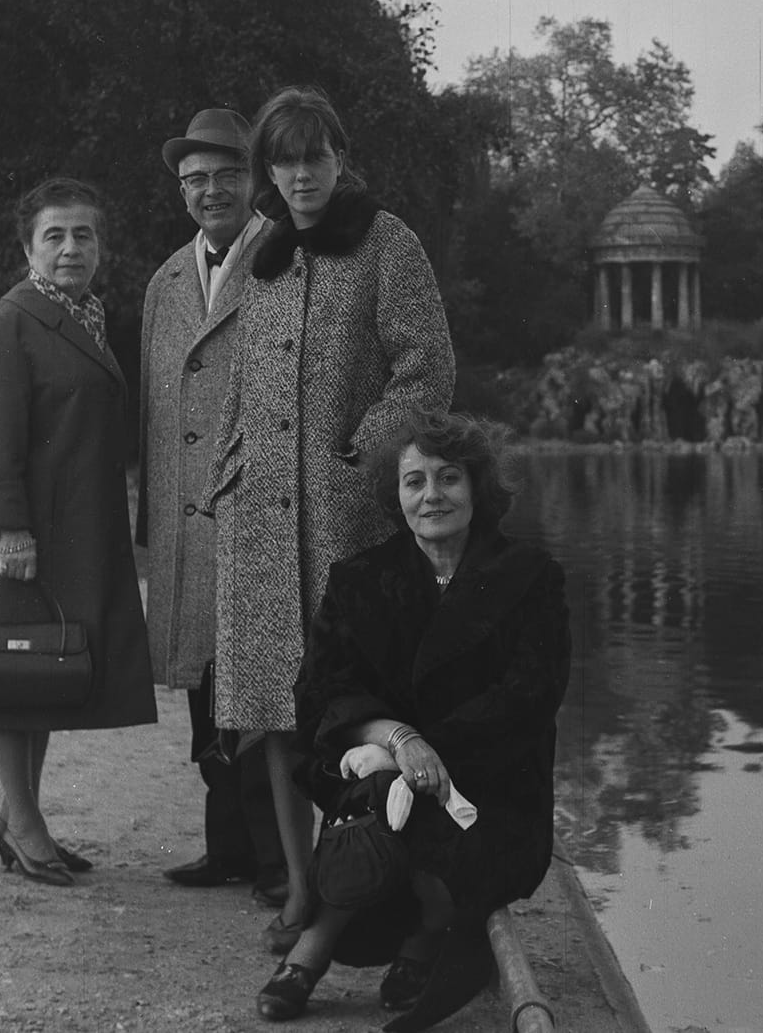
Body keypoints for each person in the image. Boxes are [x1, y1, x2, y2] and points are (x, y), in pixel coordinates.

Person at [208, 85, 456, 958]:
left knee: (354, 711)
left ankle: (383, 894)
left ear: (341, 158)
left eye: (315, 156)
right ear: (268, 170)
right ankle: (303, 891)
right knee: (274, 712)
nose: (300, 173)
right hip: (259, 527)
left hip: (347, 522)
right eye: (284, 159)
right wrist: (227, 467)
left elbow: (427, 371)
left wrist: (364, 448)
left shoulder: (391, 245)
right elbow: (237, 378)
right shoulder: (261, 254)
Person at [254, 410, 570, 1028]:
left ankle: (402, 939)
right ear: (395, 495)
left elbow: (531, 695)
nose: (433, 496)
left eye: (449, 478)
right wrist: (397, 740)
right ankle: (330, 944)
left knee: (421, 839)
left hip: (492, 785)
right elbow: (320, 691)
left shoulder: (530, 577)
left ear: (478, 487)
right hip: (382, 775)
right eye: (415, 481)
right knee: (373, 814)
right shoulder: (359, 579)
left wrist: (430, 752)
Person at [0, 177, 156, 886]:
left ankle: (17, 816)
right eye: (54, 235)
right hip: (22, 535)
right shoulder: (11, 322)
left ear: (102, 248)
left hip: (73, 529)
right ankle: (24, 824)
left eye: (83, 235)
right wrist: (10, 531)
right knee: (8, 674)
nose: (70, 248)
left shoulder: (84, 317)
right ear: (28, 247)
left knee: (42, 674)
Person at [137, 108, 286, 904]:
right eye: (195, 180)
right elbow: (153, 419)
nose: (209, 191)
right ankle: (225, 848)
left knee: (259, 694)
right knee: (203, 696)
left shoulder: (287, 258)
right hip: (183, 529)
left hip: (256, 516)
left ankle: (274, 862)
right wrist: (150, 527)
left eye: (225, 174)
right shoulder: (164, 280)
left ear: (254, 179)